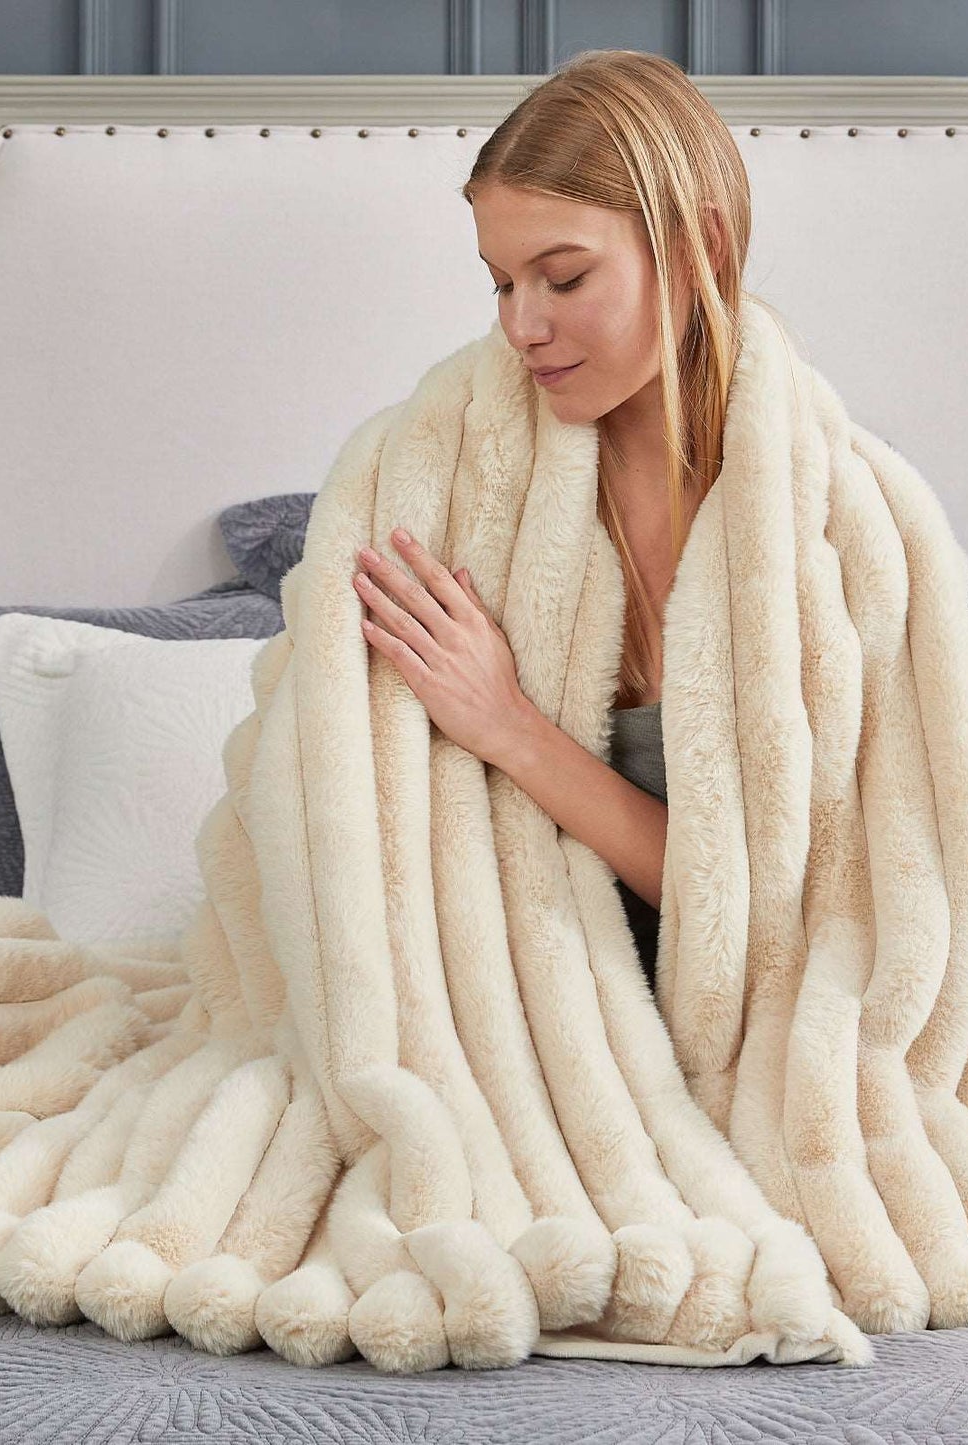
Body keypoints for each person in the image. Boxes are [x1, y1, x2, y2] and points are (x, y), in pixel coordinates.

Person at [350, 49, 778, 988]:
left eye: (564, 277)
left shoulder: (821, 532)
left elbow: (777, 910)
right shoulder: (447, 486)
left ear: (697, 248)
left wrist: (506, 723)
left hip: (764, 1031)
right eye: (501, 283)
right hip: (512, 1013)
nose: (521, 327)